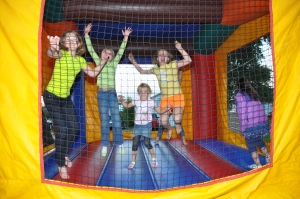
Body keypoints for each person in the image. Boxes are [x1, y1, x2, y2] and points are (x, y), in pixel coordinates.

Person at [44, 30, 109, 179]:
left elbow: (93, 74)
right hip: (51, 96)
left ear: (79, 43)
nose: (72, 41)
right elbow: (51, 53)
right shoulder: (62, 54)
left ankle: (63, 152)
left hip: (65, 98)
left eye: (75, 39)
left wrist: (103, 61)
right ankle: (61, 164)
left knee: (73, 128)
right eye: (68, 39)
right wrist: (53, 46)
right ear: (64, 44)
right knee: (61, 130)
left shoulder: (80, 60)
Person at [128, 41, 192, 145]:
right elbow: (142, 71)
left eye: (165, 55)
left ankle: (178, 124)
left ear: (168, 58)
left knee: (177, 118)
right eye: (160, 55)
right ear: (157, 58)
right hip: (165, 99)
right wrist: (133, 61)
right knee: (163, 122)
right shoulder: (155, 69)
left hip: (177, 96)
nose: (162, 56)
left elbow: (189, 60)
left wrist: (180, 48)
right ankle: (170, 129)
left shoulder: (173, 64)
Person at [84, 24, 132, 156]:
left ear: (112, 56)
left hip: (111, 93)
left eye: (109, 53)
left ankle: (120, 143)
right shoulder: (98, 61)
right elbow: (90, 49)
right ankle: (105, 145)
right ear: (101, 54)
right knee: (104, 120)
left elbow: (121, 51)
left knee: (116, 119)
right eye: (104, 52)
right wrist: (86, 35)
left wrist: (126, 37)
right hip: (101, 93)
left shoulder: (114, 62)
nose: (106, 54)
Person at [118, 83, 171, 170]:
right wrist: (121, 100)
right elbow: (126, 106)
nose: (143, 93)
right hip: (137, 126)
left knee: (147, 143)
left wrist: (167, 109)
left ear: (148, 92)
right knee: (134, 144)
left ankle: (154, 159)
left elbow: (159, 111)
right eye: (141, 92)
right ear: (138, 93)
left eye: (145, 92)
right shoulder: (136, 100)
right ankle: (133, 162)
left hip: (147, 126)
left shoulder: (151, 102)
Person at [235, 77, 271, 169]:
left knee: (250, 144)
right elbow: (261, 109)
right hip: (259, 123)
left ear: (238, 86)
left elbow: (242, 112)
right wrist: (264, 122)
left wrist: (243, 127)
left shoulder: (240, 95)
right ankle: (268, 157)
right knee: (258, 139)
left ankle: (258, 165)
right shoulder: (253, 93)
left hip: (249, 125)